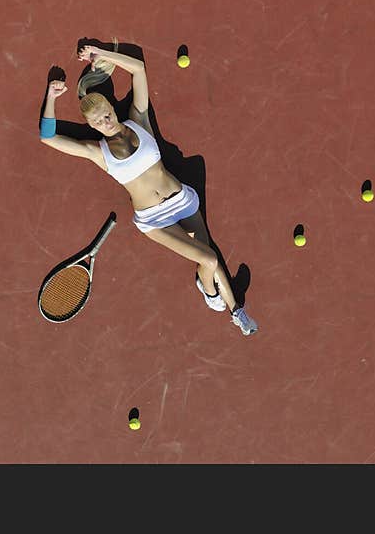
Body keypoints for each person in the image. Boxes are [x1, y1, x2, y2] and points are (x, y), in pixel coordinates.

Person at [38, 42, 258, 336]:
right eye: (97, 121)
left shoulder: (139, 120)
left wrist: (102, 55)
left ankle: (221, 299)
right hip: (154, 220)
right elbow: (48, 137)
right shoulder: (97, 152)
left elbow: (138, 69)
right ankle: (227, 306)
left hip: (182, 200)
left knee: (209, 252)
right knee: (209, 259)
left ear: (110, 109)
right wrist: (51, 97)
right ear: (90, 125)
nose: (105, 121)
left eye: (106, 114)